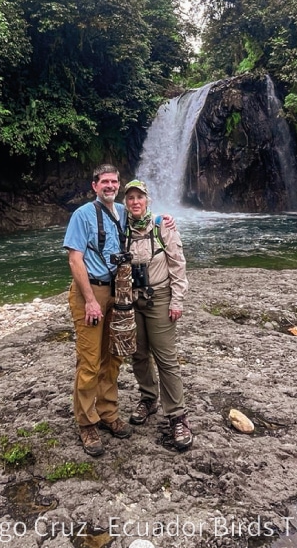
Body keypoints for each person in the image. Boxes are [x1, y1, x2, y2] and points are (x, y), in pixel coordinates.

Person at [63, 164, 134, 457]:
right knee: (90, 360)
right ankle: (86, 422)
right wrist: (90, 300)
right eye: (104, 181)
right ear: (94, 185)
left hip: (117, 291)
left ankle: (108, 412)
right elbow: (74, 259)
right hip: (90, 292)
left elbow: (145, 224)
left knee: (113, 356)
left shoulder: (123, 211)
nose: (110, 185)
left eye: (114, 181)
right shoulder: (82, 215)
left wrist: (164, 220)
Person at [123, 179, 193, 451]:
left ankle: (177, 415)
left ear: (147, 200)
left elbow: (178, 264)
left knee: (166, 358)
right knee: (138, 354)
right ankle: (149, 398)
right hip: (131, 300)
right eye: (130, 198)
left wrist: (177, 300)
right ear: (125, 203)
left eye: (139, 197)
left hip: (160, 298)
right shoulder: (122, 229)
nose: (135, 201)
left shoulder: (163, 225)